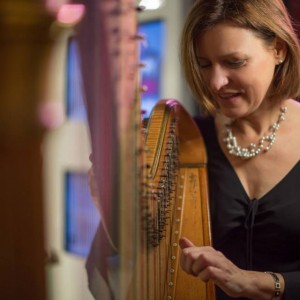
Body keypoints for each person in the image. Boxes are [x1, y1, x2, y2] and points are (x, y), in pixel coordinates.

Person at [178, 0, 300, 299]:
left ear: (279, 50)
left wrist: (259, 283)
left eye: (234, 62)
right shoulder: (186, 141)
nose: (216, 82)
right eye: (204, 64)